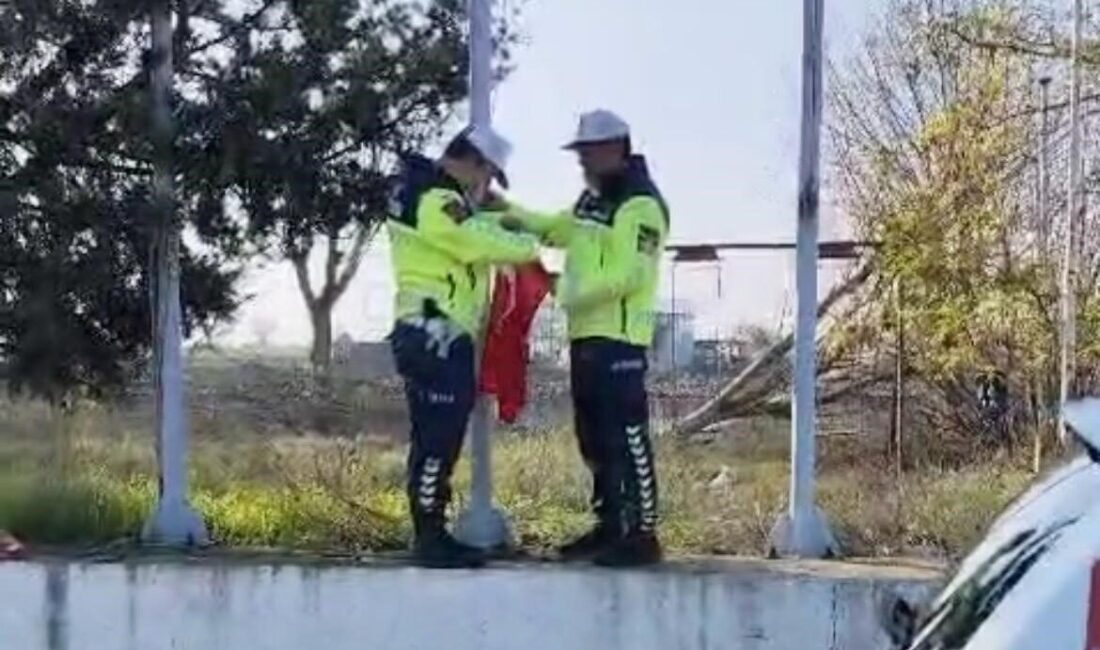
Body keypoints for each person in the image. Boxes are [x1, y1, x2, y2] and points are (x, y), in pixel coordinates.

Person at [505, 110, 669, 566]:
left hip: (620, 339)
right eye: (579, 153)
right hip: (586, 338)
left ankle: (642, 535)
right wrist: (508, 213)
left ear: (615, 148)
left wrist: (568, 291)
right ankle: (609, 525)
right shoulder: (589, 201)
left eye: (588, 152)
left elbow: (631, 273)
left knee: (628, 436)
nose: (581, 162)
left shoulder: (641, 205)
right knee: (593, 438)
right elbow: (557, 229)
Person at [386, 125, 541, 568]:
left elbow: (475, 228)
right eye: (487, 175)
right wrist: (526, 244)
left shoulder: (424, 192)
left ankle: (431, 531)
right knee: (439, 435)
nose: (485, 187)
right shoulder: (435, 199)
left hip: (433, 327)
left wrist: (501, 218)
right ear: (473, 162)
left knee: (437, 434)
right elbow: (473, 240)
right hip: (434, 327)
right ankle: (430, 536)